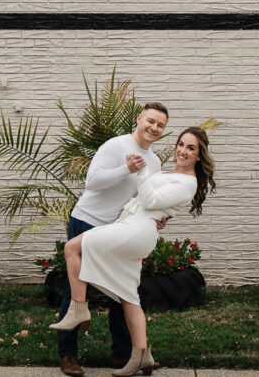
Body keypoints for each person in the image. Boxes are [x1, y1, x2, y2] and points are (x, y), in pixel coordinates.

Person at [50, 127, 217, 377]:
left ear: (199, 155)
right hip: (132, 226)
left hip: (135, 230)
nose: (182, 150)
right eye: (181, 144)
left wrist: (141, 174)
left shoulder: (187, 182)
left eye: (190, 148)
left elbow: (149, 200)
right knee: (128, 296)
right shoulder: (168, 172)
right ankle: (142, 356)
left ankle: (79, 308)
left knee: (72, 247)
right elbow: (151, 199)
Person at [55, 102, 170, 377]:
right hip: (87, 220)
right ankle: (67, 355)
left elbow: (145, 198)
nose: (154, 128)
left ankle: (122, 355)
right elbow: (92, 182)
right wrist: (125, 169)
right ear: (139, 119)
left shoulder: (155, 162)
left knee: (123, 291)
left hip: (118, 230)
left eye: (160, 125)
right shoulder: (115, 146)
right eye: (151, 121)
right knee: (77, 289)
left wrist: (158, 216)